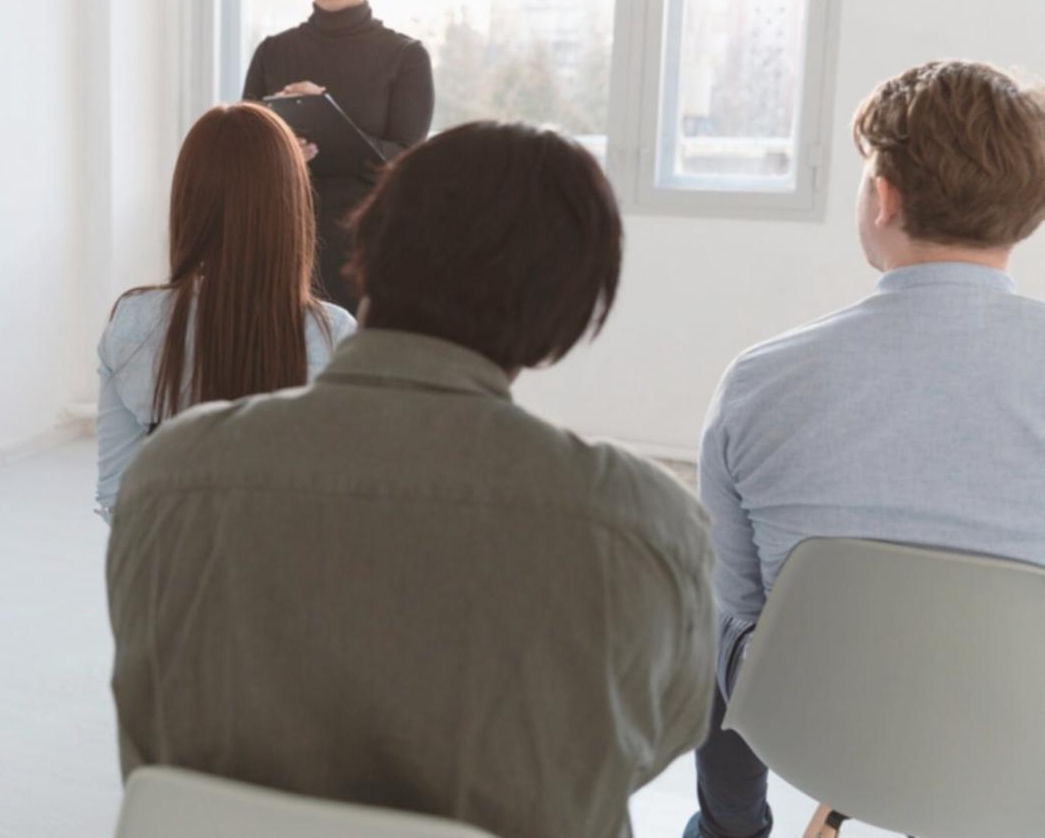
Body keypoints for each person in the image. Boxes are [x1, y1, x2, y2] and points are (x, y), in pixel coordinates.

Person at [108, 121, 715, 838]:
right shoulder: (643, 525)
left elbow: (149, 723)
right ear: (566, 317)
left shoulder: (166, 479)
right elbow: (654, 737)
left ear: (367, 248)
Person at [685, 60, 1045, 838]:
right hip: (1019, 739)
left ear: (882, 197)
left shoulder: (759, 382)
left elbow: (731, 607)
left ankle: (728, 832)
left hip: (811, 728)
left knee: (718, 610)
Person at [96, 102, 355, 520]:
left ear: (186, 201)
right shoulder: (335, 335)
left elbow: (117, 497)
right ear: (291, 207)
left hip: (167, 574)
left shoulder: (133, 321)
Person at [243, 0, 434, 312]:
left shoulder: (405, 56)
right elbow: (243, 157)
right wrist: (283, 148)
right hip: (281, 244)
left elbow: (406, 163)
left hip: (365, 251)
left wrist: (328, 116)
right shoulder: (273, 53)